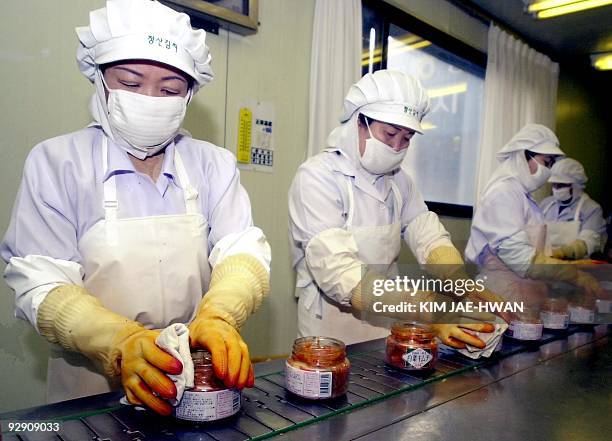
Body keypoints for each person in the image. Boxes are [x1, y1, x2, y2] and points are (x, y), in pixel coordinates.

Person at [1, 0, 270, 415]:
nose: (150, 99)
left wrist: (218, 316)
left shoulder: (212, 164)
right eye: (130, 82)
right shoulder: (58, 163)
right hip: (90, 386)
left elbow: (241, 253)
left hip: (193, 378)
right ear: (100, 81)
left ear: (189, 95)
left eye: (168, 90)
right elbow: (43, 281)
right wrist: (120, 340)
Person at [289, 70, 495, 349]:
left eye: (407, 138)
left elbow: (427, 234)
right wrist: (428, 309)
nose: (397, 147)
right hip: (331, 327)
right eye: (389, 134)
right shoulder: (317, 176)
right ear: (359, 123)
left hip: (389, 316)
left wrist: (459, 281)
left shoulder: (400, 182)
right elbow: (339, 273)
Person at [465, 124, 602, 309]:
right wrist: (575, 275)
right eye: (546, 162)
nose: (548, 171)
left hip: (522, 296)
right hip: (501, 297)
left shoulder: (522, 196)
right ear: (523, 156)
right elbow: (521, 259)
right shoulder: (503, 192)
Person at [540, 158, 606, 260]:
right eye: (554, 184)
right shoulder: (545, 205)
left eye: (561, 185)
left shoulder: (592, 209)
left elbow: (587, 243)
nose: (556, 189)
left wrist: (561, 253)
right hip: (545, 262)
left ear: (576, 185)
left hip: (576, 266)